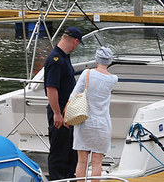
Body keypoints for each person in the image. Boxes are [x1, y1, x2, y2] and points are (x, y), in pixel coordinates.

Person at [71, 47, 118, 181]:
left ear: (97, 59)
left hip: (85, 121)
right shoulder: (113, 79)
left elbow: (73, 95)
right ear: (109, 61)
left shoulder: (87, 74)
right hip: (103, 124)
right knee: (97, 163)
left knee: (82, 162)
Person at [44, 26, 83, 180]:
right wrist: (57, 114)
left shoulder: (64, 57)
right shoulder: (56, 60)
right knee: (59, 151)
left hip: (68, 111)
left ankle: (68, 176)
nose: (77, 46)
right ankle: (56, 179)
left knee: (70, 150)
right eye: (78, 43)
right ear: (74, 41)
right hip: (59, 111)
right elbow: (51, 89)